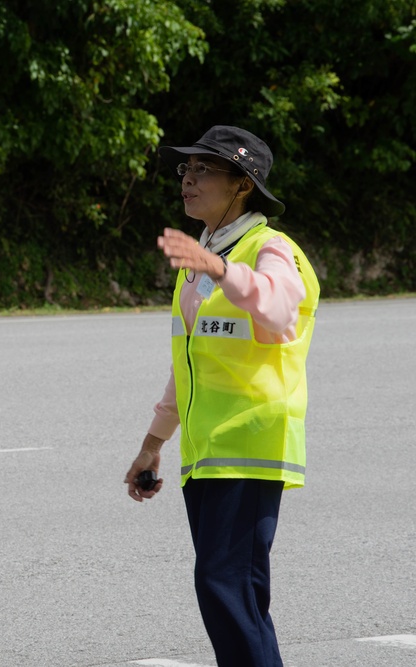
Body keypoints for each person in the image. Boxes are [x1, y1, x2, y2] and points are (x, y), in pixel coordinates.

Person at [123, 125, 319, 666]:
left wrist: (221, 269)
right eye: (185, 169)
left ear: (243, 185)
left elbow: (278, 309)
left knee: (224, 588)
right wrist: (152, 442)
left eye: (204, 169)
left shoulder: (271, 249)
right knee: (234, 596)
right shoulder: (206, 260)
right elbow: (190, 362)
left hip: (253, 446)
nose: (187, 178)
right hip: (207, 455)